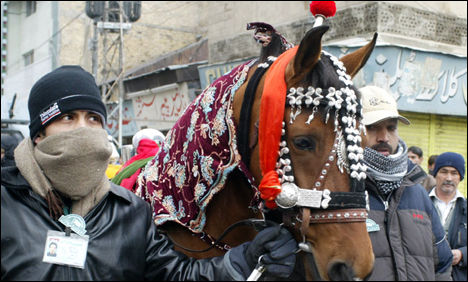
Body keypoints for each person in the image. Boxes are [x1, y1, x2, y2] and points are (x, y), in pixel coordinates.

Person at [1, 65, 297, 280]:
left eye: (93, 118)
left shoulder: (129, 211)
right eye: (67, 117)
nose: (83, 130)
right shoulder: (6, 203)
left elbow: (176, 276)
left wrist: (244, 259)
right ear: (39, 133)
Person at [359, 86, 453, 281]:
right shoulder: (341, 192)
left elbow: (442, 263)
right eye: (372, 127)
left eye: (391, 127)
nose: (384, 137)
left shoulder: (417, 192)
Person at [429, 152, 467, 281]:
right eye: (444, 172)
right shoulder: (420, 204)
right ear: (435, 174)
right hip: (425, 274)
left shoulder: (465, 207)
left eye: (454, 173)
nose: (449, 178)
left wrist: (463, 254)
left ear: (460, 177)